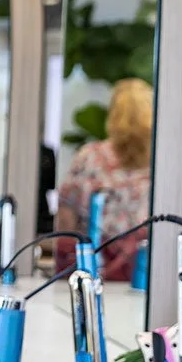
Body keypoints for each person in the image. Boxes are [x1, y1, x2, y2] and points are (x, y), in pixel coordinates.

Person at [55, 78, 153, 279]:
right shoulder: (162, 163)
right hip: (143, 273)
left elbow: (66, 219)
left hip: (92, 268)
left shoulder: (89, 157)